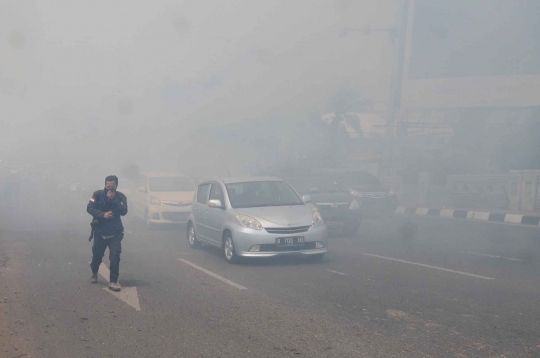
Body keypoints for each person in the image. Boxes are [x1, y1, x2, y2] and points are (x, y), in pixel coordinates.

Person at [87, 175, 128, 291]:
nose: (110, 189)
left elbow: (124, 211)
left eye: (113, 187)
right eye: (108, 186)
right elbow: (89, 208)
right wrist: (102, 215)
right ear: (105, 185)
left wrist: (114, 200)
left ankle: (113, 281)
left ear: (116, 186)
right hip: (100, 231)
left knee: (115, 257)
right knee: (97, 256)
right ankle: (94, 272)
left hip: (115, 232)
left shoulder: (120, 197)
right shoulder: (97, 195)